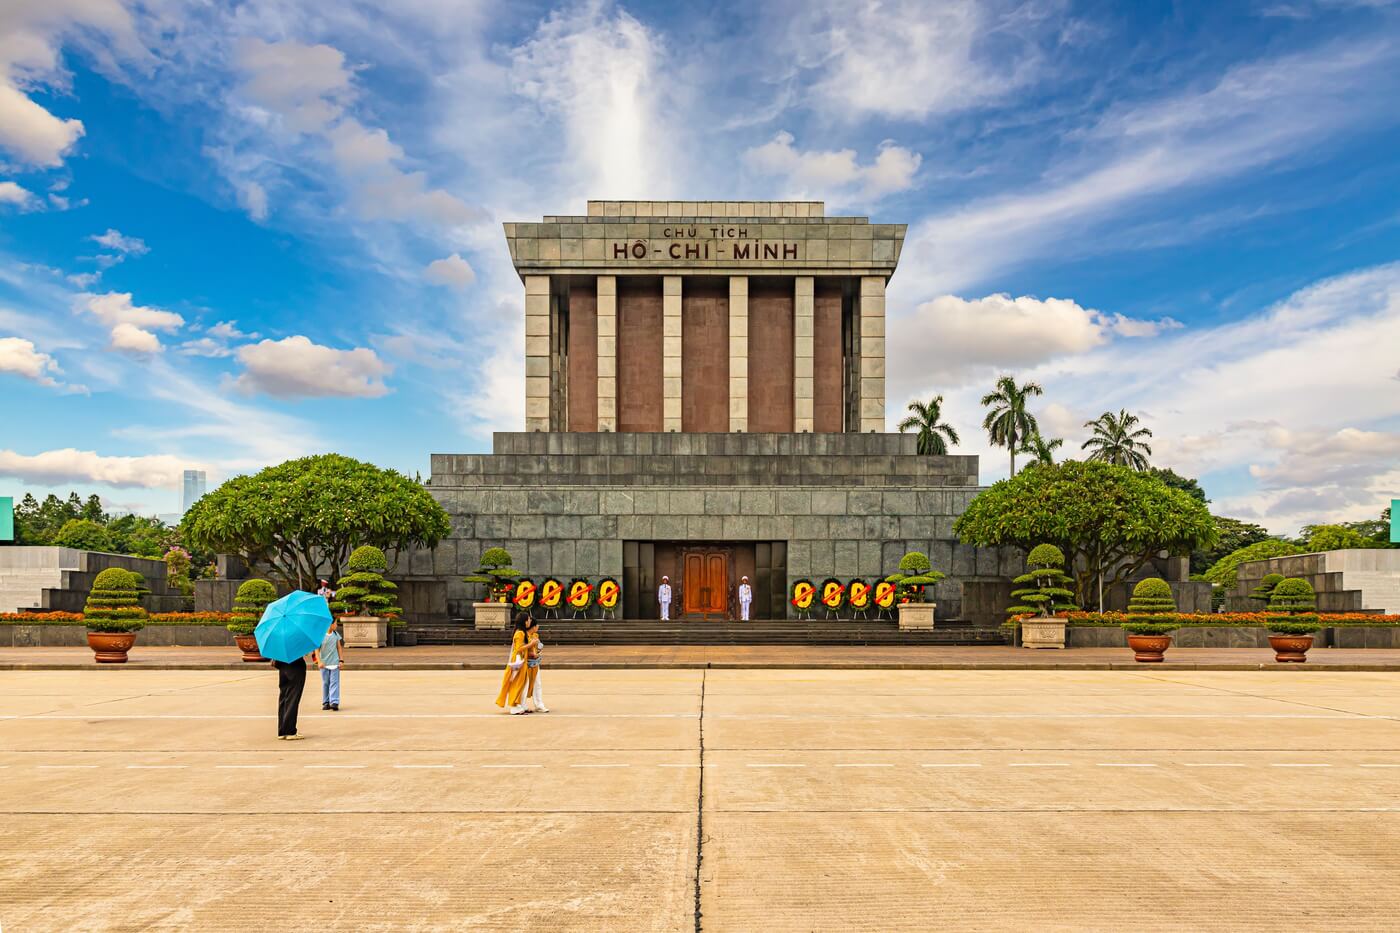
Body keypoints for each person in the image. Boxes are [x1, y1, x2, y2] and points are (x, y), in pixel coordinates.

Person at [495, 612, 536, 714]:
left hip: (522, 660)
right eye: (529, 619)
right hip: (518, 661)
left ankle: (519, 704)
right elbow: (518, 648)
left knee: (522, 683)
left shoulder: (521, 632)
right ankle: (514, 705)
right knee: (517, 683)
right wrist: (531, 644)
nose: (530, 621)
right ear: (525, 621)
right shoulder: (520, 633)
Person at [273, 655, 307, 740]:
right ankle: (289, 731)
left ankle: (282, 730)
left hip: (282, 664)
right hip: (295, 665)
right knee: (292, 699)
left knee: (284, 697)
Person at [313, 618, 343, 711]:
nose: (336, 625)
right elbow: (316, 650)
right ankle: (326, 702)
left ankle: (334, 702)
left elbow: (339, 648)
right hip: (324, 664)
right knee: (326, 683)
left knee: (334, 683)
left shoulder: (336, 634)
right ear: (330, 624)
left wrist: (341, 660)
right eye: (335, 623)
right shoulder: (320, 635)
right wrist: (319, 661)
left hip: (334, 663)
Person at [523, 618, 549, 713]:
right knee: (525, 684)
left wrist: (538, 651)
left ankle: (539, 704)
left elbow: (538, 648)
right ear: (533, 626)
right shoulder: (524, 635)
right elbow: (522, 649)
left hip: (535, 663)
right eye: (537, 625)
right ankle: (523, 704)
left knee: (537, 683)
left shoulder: (535, 635)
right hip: (526, 664)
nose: (538, 626)